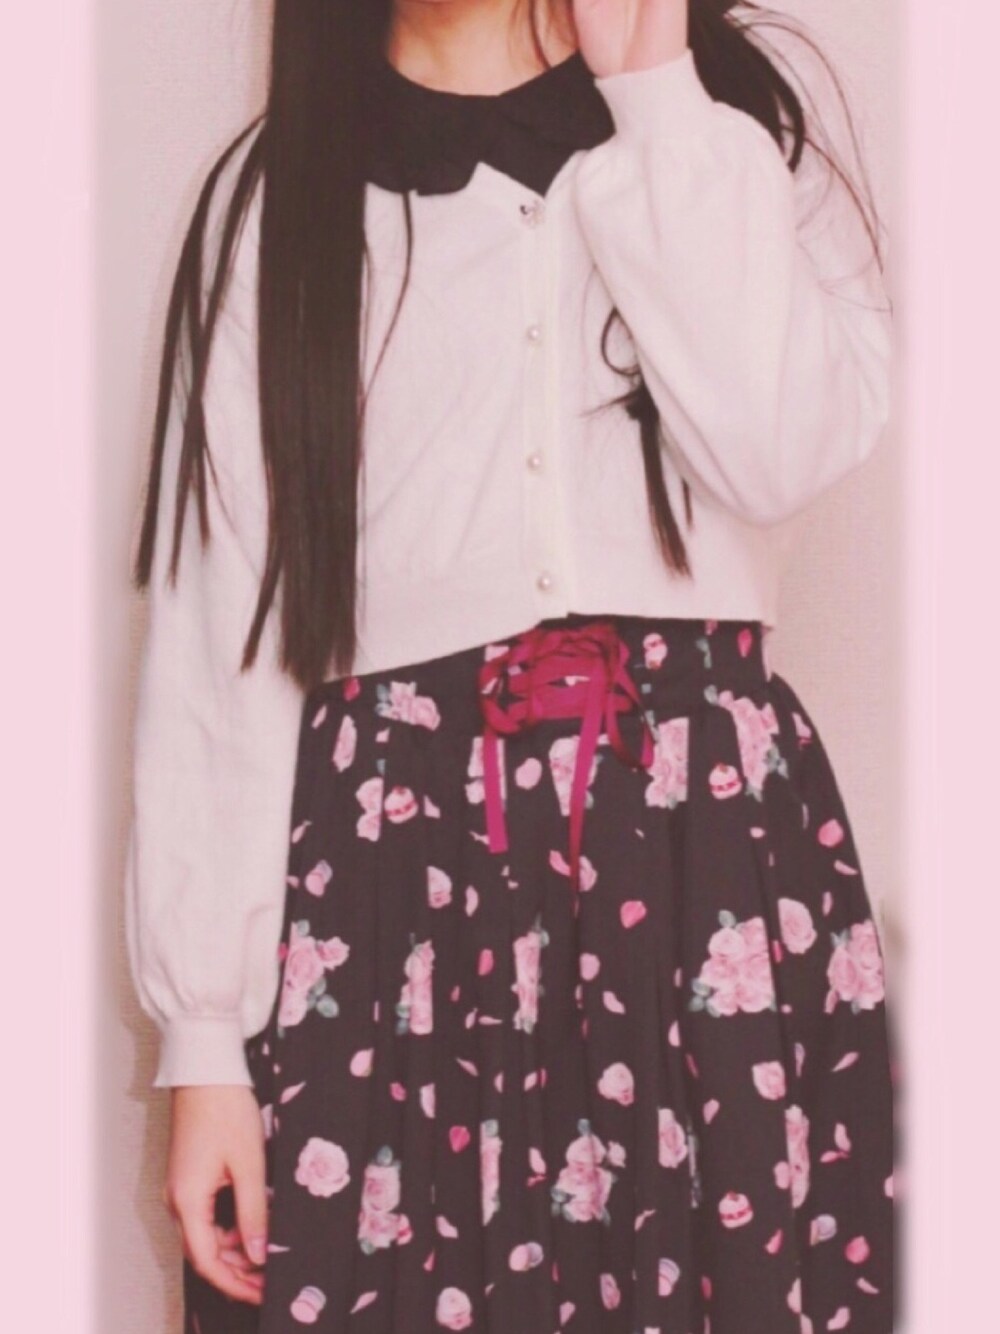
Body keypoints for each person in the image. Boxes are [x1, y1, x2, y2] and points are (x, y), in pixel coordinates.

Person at [124, 1, 901, 1331]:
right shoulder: (280, 201)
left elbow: (786, 447)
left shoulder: (735, 118)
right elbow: (222, 640)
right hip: (398, 897)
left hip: (697, 865)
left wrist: (652, 89)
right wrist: (205, 1043)